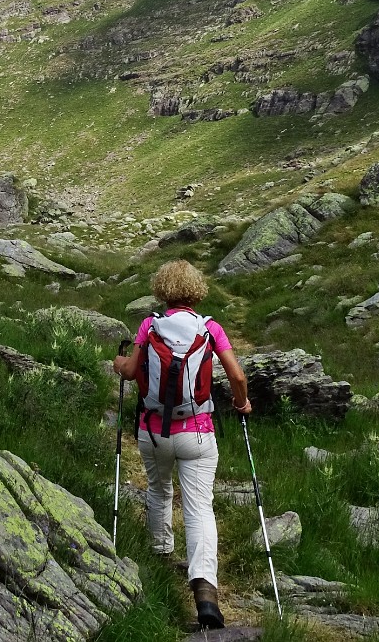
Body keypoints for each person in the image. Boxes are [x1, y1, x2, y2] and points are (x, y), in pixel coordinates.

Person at [113, 259, 250, 630]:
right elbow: (236, 375)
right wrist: (242, 402)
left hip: (154, 432)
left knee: (158, 490)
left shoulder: (149, 325)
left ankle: (160, 554)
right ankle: (205, 594)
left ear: (162, 290)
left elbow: (129, 371)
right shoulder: (210, 328)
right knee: (199, 508)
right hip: (198, 433)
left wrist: (119, 362)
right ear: (196, 290)